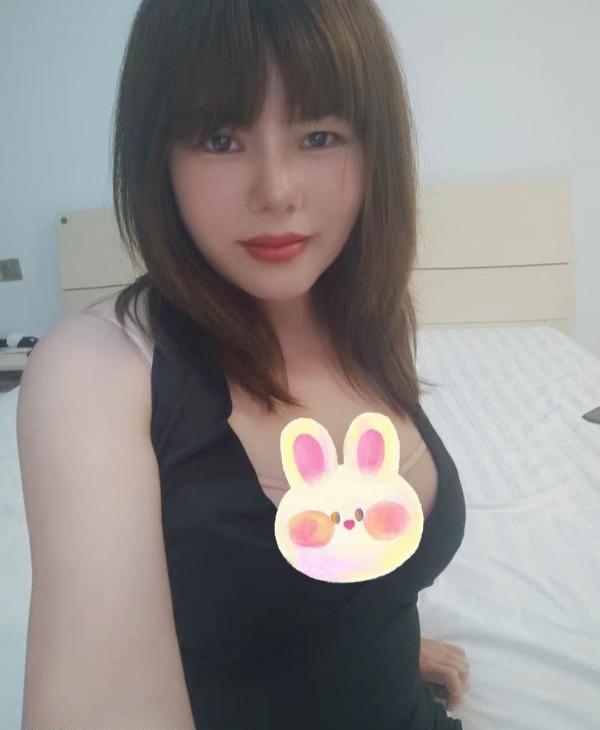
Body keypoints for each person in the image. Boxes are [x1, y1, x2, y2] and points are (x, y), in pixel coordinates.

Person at [17, 1, 468, 728]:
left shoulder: (360, 318)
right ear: (158, 156)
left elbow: (320, 574)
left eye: (318, 136)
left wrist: (382, 641)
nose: (276, 191)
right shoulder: (95, 372)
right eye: (220, 139)